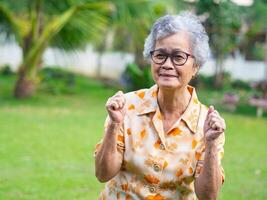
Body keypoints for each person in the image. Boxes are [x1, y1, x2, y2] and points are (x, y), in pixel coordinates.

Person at [94, 12, 226, 200]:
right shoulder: (126, 107)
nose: (167, 64)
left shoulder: (207, 125)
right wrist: (114, 126)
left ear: (195, 65)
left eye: (178, 57)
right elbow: (103, 174)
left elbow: (208, 196)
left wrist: (211, 145)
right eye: (160, 55)